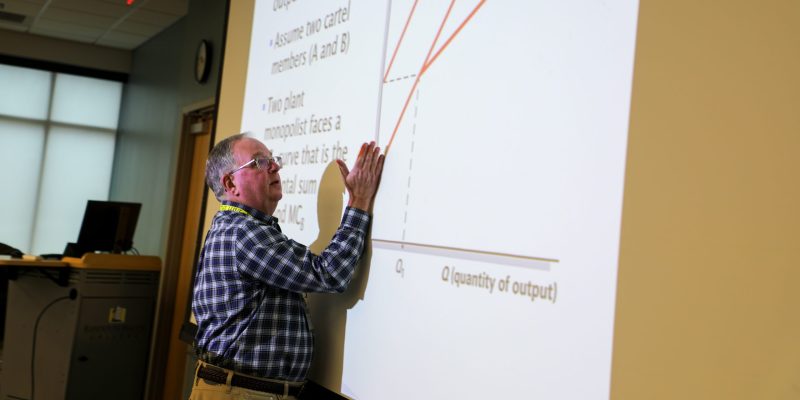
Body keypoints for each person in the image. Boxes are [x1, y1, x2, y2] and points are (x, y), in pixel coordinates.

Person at [190, 133, 384, 400]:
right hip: (241, 393)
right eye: (258, 162)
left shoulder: (237, 228)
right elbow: (329, 274)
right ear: (230, 182)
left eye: (272, 159)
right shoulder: (243, 232)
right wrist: (359, 201)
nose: (274, 166)